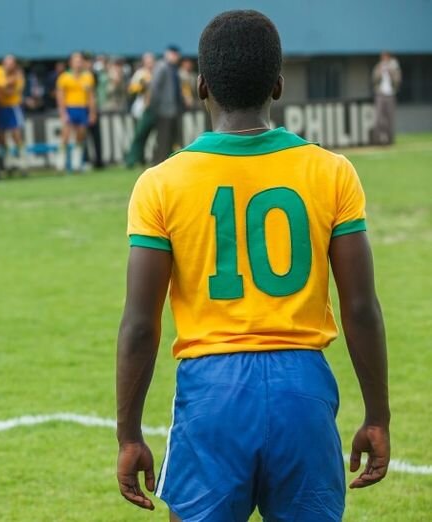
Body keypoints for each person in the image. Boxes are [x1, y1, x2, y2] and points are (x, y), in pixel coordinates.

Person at [116, 10, 390, 522]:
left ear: (201, 86)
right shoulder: (332, 172)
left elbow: (139, 325)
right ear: (278, 85)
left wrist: (129, 435)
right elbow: (360, 308)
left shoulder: (161, 183)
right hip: (303, 389)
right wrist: (377, 416)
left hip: (212, 391)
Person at [55, 52, 95, 172]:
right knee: (65, 135)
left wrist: (92, 112)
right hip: (69, 108)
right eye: (76, 61)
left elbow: (91, 96)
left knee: (80, 135)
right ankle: (61, 163)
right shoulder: (64, 78)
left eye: (80, 61)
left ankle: (77, 163)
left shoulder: (88, 77)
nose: (78, 64)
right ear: (71, 63)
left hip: (82, 108)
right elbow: (60, 96)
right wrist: (63, 113)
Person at [147, 45, 183, 163]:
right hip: (163, 111)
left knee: (171, 140)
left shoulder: (173, 69)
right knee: (163, 139)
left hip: (173, 110)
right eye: (175, 55)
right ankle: (158, 163)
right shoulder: (162, 67)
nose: (177, 57)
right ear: (168, 54)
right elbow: (155, 88)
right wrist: (155, 107)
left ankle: (167, 163)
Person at [0, 55, 27, 175]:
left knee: (16, 135)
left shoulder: (19, 75)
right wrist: (3, 86)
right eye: (6, 63)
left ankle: (23, 163)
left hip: (12, 107)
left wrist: (0, 87)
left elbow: (11, 92)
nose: (8, 66)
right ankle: (8, 163)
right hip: (0, 108)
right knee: (1, 137)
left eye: (11, 63)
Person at [125, 53, 156, 167]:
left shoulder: (156, 72)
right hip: (141, 108)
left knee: (151, 136)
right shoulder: (140, 73)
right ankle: (133, 159)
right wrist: (142, 86)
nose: (150, 64)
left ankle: (146, 158)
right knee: (139, 134)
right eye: (147, 62)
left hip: (155, 108)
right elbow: (131, 89)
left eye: (151, 61)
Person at [372, 51, 401, 145]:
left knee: (390, 118)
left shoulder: (394, 67)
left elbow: (397, 80)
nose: (384, 58)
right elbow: (374, 79)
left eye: (386, 57)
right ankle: (377, 140)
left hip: (390, 95)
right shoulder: (378, 66)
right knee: (378, 118)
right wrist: (380, 71)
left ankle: (390, 140)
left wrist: (390, 71)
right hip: (380, 94)